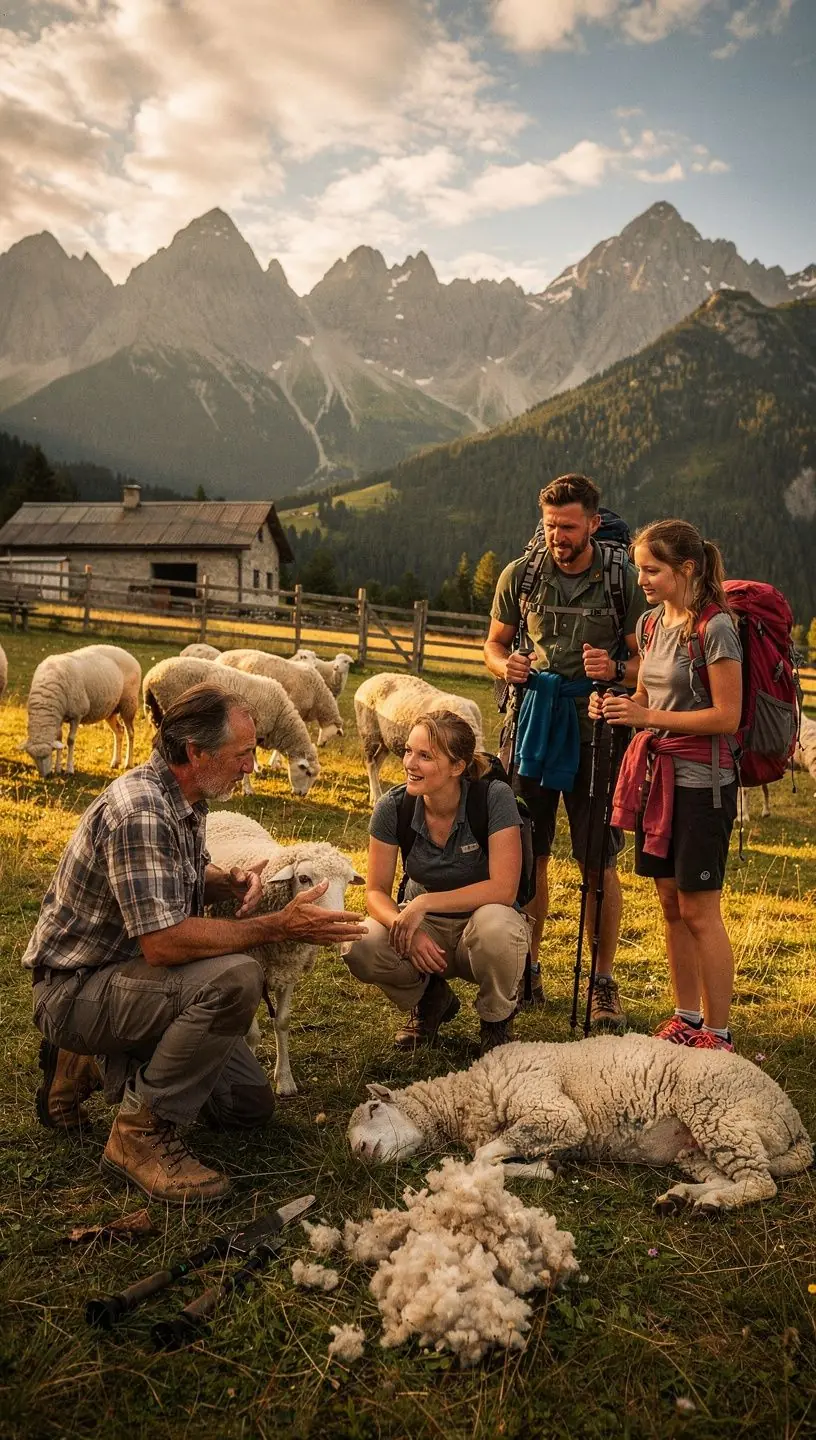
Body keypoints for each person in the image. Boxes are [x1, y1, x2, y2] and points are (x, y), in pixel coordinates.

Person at [25, 684, 365, 1204]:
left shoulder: (186, 797)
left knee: (248, 1107)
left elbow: (169, 876)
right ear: (195, 752)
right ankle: (138, 1134)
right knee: (236, 976)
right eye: (244, 754)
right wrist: (275, 926)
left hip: (131, 980)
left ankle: (93, 1059)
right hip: (78, 988)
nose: (252, 766)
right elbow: (164, 944)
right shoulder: (141, 811)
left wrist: (224, 880)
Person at [484, 473, 648, 1029]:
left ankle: (602, 981)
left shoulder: (623, 582)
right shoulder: (522, 574)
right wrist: (503, 665)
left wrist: (619, 671)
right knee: (530, 856)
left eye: (569, 526)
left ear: (593, 525)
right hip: (531, 724)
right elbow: (494, 642)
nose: (558, 535)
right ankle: (527, 967)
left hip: (597, 731)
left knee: (596, 859)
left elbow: (647, 662)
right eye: (551, 525)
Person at [598, 519, 743, 1051]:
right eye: (639, 569)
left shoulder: (716, 627)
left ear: (685, 569)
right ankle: (686, 1019)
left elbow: (727, 716)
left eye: (652, 569)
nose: (642, 579)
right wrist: (617, 704)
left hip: (703, 783)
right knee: (669, 902)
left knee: (700, 909)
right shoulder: (653, 624)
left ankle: (719, 1032)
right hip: (658, 775)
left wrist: (645, 714)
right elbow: (643, 694)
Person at [343, 710, 530, 1054]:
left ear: (457, 767)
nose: (410, 763)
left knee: (498, 926)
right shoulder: (393, 806)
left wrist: (423, 903)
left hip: (480, 926)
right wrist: (404, 926)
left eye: (425, 756)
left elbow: (504, 889)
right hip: (423, 929)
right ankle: (430, 999)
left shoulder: (493, 797)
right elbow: (374, 892)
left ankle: (495, 1022)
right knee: (362, 943)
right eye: (408, 751)